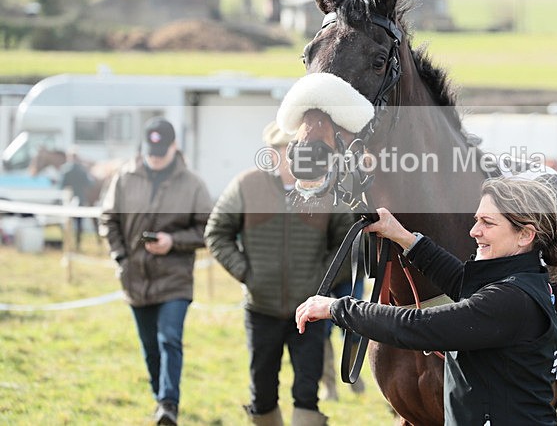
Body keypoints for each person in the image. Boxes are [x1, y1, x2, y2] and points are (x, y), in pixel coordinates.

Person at [296, 177, 557, 425]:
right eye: (476, 220)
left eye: (487, 223)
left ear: (525, 235)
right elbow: (461, 281)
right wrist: (402, 236)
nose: (474, 231)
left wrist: (338, 307)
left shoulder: (511, 300)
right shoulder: (521, 279)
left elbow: (418, 326)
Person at [204, 121, 354, 426]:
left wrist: (321, 282)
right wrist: (247, 274)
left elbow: (350, 243)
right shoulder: (246, 185)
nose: (293, 158)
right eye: (287, 151)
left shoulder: (326, 189)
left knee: (307, 392)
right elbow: (216, 232)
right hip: (261, 308)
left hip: (309, 312)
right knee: (262, 392)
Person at [99, 117, 213, 426]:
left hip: (175, 280)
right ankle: (159, 399)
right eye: (151, 152)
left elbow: (208, 229)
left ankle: (168, 404)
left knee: (169, 338)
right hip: (135, 279)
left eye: (161, 152)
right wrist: (121, 258)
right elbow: (108, 219)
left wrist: (173, 241)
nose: (156, 157)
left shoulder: (193, 184)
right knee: (150, 347)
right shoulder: (124, 178)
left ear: (174, 146)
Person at [59, 147, 94, 250]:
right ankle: (78, 244)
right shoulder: (82, 170)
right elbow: (90, 184)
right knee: (79, 223)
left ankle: (68, 245)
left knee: (67, 223)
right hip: (80, 199)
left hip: (69, 200)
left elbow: (61, 186)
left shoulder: (65, 170)